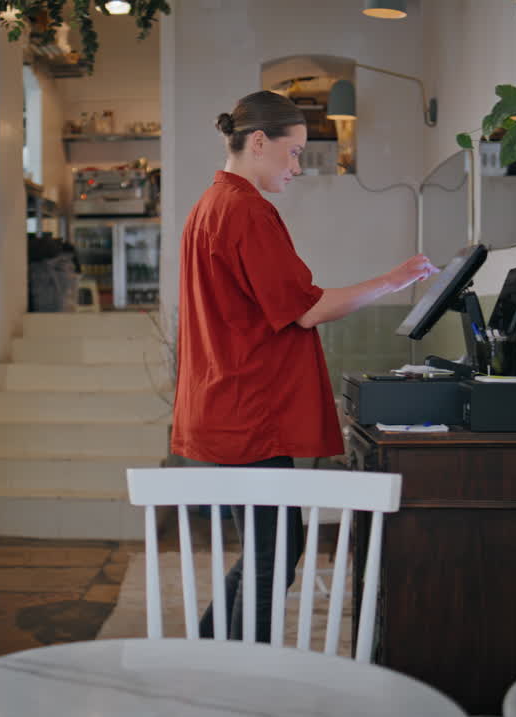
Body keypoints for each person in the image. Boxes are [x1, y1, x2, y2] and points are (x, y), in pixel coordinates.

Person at [172, 90, 438, 642]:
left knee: (278, 546)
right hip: (249, 409)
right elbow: (307, 308)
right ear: (259, 142)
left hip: (232, 402)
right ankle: (246, 674)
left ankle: (204, 651)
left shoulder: (210, 205)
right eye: (293, 153)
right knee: (273, 555)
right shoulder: (245, 210)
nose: (298, 167)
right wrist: (396, 278)